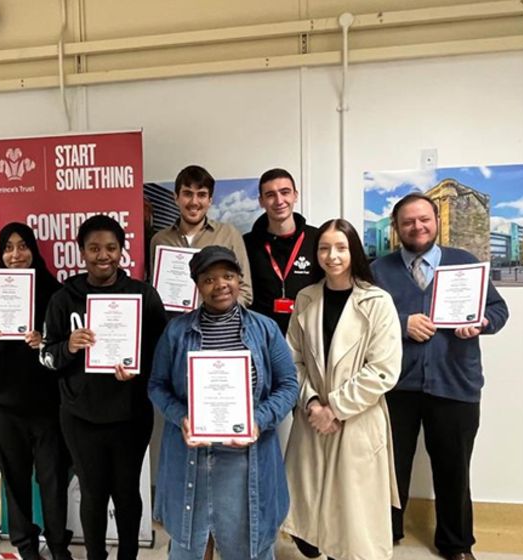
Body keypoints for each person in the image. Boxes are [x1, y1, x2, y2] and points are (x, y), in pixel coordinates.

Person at [371, 193, 509, 560]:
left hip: (455, 384)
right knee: (390, 467)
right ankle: (388, 531)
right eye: (408, 222)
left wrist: (482, 323)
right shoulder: (378, 271)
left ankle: (457, 543)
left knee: (453, 468)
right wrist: (402, 324)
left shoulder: (464, 263)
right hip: (394, 387)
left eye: (424, 220)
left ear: (436, 221)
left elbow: (498, 309)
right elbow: (363, 323)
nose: (417, 227)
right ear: (396, 228)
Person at [149, 245, 298, 560]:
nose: (220, 285)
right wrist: (182, 417)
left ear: (239, 279)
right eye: (209, 279)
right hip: (192, 459)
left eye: (228, 276)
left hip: (246, 462)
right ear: (197, 285)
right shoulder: (176, 332)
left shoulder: (265, 329)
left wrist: (258, 419)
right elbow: (157, 386)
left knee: (247, 546)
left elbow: (288, 385)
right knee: (191, 545)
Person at [40, 214, 168, 560]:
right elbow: (46, 357)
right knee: (93, 495)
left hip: (130, 415)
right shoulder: (63, 299)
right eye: (94, 248)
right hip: (80, 417)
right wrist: (68, 346)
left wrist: (137, 372)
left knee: (127, 494)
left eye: (111, 247)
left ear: (122, 251)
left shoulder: (143, 295)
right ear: (81, 251)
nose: (103, 255)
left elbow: (162, 354)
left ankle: (128, 556)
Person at [283, 219, 402, 560]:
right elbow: (293, 361)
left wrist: (333, 408)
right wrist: (313, 404)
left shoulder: (376, 301)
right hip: (312, 417)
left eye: (340, 247)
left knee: (351, 525)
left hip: (357, 420)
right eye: (323, 248)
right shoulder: (306, 298)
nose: (331, 256)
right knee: (307, 526)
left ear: (354, 252)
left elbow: (383, 370)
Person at [0, 222, 73, 560]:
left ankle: (58, 547)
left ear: (34, 249)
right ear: (0, 254)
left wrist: (45, 343)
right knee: (14, 483)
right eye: (8, 247)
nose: (16, 254)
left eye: (23, 245)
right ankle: (26, 547)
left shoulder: (56, 294)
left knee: (53, 481)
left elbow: (66, 352)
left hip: (47, 405)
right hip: (4, 406)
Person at [150, 165, 253, 307]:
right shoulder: (159, 240)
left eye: (202, 195)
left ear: (210, 200)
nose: (194, 202)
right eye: (187, 193)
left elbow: (245, 292)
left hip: (217, 327)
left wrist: (216, 314)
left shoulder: (229, 234)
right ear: (176, 198)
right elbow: (153, 292)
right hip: (174, 325)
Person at [243, 168, 323, 336]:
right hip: (261, 338)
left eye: (285, 192)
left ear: (295, 195)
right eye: (270, 195)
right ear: (261, 201)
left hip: (309, 335)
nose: (279, 201)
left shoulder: (317, 239)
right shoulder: (247, 244)